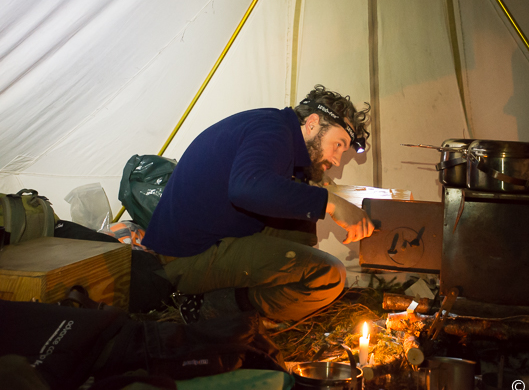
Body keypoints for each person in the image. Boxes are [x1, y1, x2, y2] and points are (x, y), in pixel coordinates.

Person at [141, 84, 375, 322]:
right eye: (338, 145)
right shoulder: (273, 132)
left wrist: (311, 176)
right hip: (185, 257)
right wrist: (331, 203)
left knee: (302, 223)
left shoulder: (274, 125)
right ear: (312, 122)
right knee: (329, 275)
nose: (336, 160)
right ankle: (216, 309)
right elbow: (246, 188)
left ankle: (246, 292)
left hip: (200, 238)